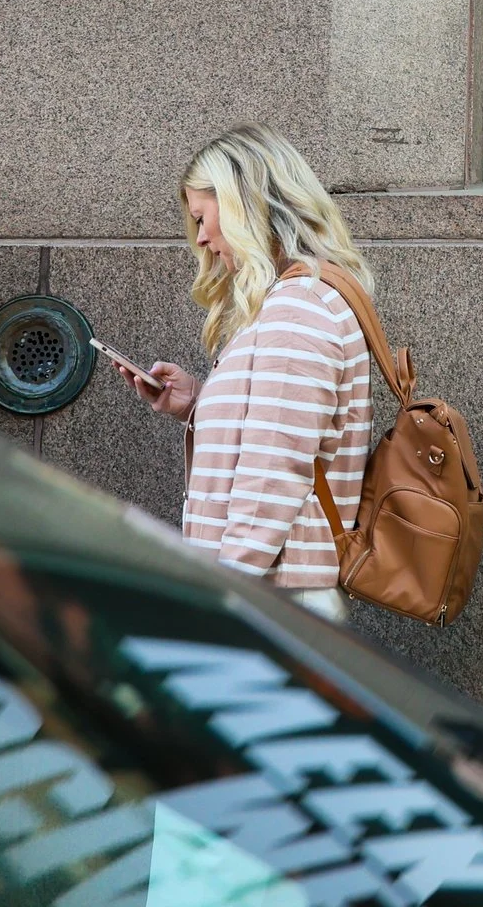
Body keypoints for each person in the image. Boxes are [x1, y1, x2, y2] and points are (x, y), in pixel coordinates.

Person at [119, 127, 373, 623]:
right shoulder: (300, 299)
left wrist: (222, 594)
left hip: (269, 597)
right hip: (272, 591)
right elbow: (279, 432)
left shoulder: (297, 311)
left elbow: (273, 476)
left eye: (202, 217)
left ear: (243, 204)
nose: (202, 238)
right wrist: (198, 403)